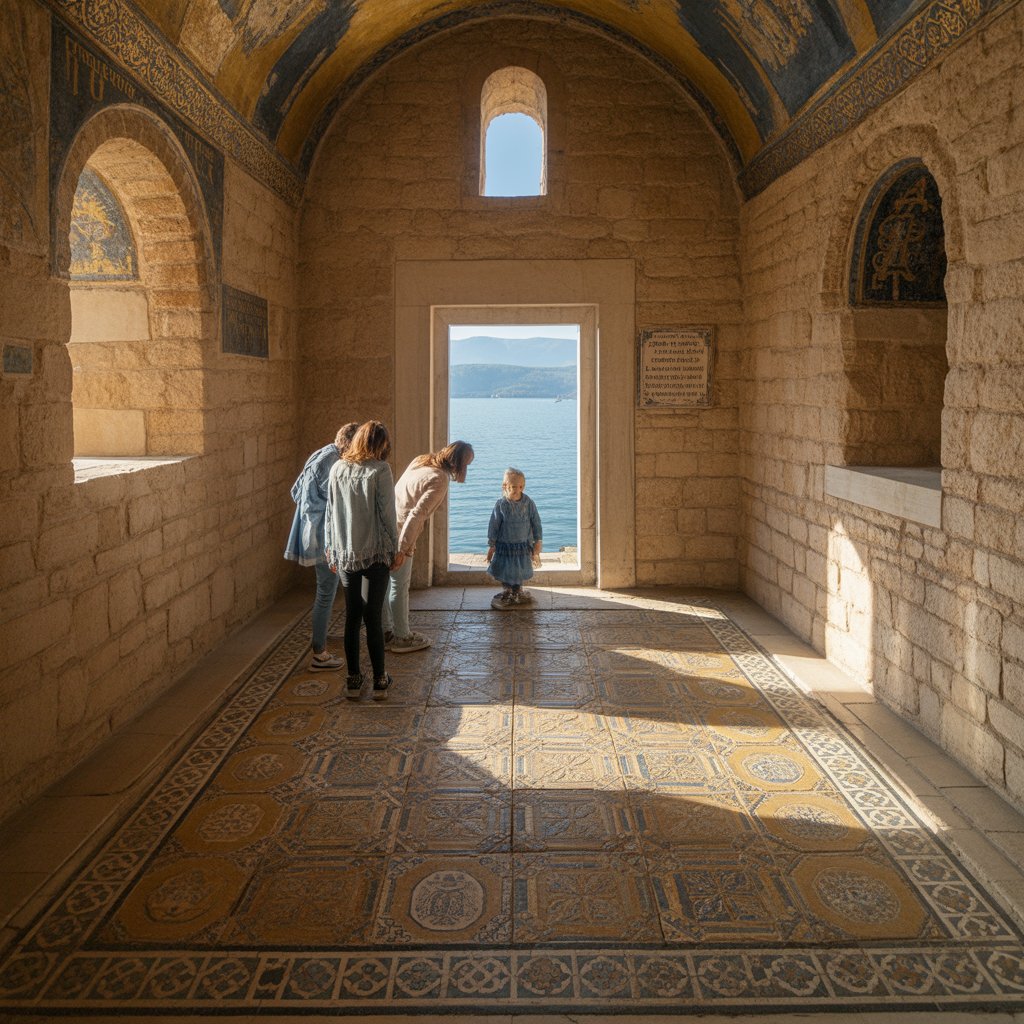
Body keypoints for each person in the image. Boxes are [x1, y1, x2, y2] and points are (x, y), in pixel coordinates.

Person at [324, 420, 399, 699]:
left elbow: (330, 515)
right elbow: (387, 515)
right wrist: (396, 549)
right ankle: (380, 680)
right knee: (374, 616)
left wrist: (330, 549)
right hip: (376, 551)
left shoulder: (337, 469)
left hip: (346, 553)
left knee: (352, 616)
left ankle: (353, 679)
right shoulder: (381, 470)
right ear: (380, 444)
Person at [384, 441, 474, 652]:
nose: (467, 469)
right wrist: (403, 548)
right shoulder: (440, 478)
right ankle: (402, 637)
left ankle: (386, 631)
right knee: (399, 585)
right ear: (458, 462)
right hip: (401, 534)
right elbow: (417, 514)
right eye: (467, 464)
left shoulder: (421, 461)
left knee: (387, 585)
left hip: (386, 526)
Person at [284, 421, 358, 670]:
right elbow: (337, 501)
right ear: (350, 444)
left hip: (313, 534)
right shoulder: (333, 463)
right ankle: (319, 653)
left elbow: (297, 492)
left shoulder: (323, 452)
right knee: (326, 593)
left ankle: (323, 643)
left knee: (327, 592)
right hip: (323, 538)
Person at [486, 467, 543, 609]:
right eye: (513, 487)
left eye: (520, 486)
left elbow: (536, 522)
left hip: (522, 545)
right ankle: (507, 591)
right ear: (505, 486)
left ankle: (518, 590)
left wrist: (538, 541)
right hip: (505, 545)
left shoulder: (529, 503)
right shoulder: (501, 505)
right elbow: (494, 524)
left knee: (519, 570)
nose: (517, 489)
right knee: (506, 570)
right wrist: (491, 544)